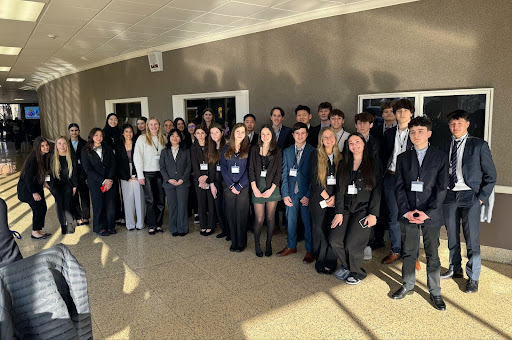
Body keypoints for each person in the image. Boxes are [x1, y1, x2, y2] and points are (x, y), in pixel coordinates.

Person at [391, 116, 448, 311]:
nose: (416, 135)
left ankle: (435, 291)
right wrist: (406, 211)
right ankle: (407, 285)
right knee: (409, 251)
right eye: (413, 132)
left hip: (430, 215)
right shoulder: (403, 158)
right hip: (408, 213)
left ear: (429, 133)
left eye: (420, 131)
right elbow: (398, 187)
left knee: (432, 254)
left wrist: (427, 212)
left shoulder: (440, 157)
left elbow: (441, 188)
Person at [440, 110, 496, 293]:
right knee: (452, 235)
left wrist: (480, 198)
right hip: (449, 195)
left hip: (470, 196)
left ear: (467, 124)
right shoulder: (444, 144)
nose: (455, 127)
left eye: (459, 124)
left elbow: (491, 175)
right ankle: (455, 268)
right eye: (452, 124)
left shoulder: (479, 145)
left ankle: (473, 277)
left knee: (472, 238)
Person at [330, 133, 382, 284]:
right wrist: (338, 212)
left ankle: (358, 272)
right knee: (334, 240)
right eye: (351, 143)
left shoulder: (373, 162)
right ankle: (347, 265)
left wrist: (373, 214)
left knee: (352, 244)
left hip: (364, 209)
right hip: (346, 208)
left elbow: (377, 189)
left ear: (364, 143)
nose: (354, 145)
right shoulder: (343, 163)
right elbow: (339, 190)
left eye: (357, 142)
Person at [381, 99, 414, 265]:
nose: (401, 114)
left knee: (410, 216)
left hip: (410, 180)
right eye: (398, 111)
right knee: (393, 216)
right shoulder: (388, 134)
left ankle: (411, 254)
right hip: (391, 177)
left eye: (405, 111)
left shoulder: (416, 133)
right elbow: (384, 157)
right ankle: (396, 250)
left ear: (411, 113)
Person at [278, 122, 315, 263]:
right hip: (291, 193)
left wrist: (308, 195)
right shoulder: (286, 151)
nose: (300, 136)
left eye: (303, 133)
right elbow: (284, 175)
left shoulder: (313, 151)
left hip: (305, 194)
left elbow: (315, 176)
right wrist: (285, 194)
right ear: (293, 135)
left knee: (307, 223)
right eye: (297, 133)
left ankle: (310, 250)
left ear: (307, 134)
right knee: (291, 221)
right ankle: (291, 246)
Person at [308, 127, 341, 274]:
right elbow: (315, 181)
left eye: (331, 136)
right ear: (321, 140)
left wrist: (335, 198)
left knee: (332, 231)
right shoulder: (315, 155)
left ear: (335, 138)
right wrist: (327, 198)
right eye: (325, 137)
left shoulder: (341, 156)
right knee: (320, 230)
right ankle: (321, 259)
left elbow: (344, 181)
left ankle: (331, 260)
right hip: (319, 199)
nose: (328, 139)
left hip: (336, 200)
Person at [249, 124, 282, 257]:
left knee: (270, 217)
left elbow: (279, 172)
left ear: (272, 135)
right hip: (257, 186)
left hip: (272, 188)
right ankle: (257, 244)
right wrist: (254, 188)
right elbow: (250, 169)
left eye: (268, 134)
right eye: (262, 134)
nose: (265, 136)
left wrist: (272, 189)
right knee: (259, 218)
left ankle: (269, 243)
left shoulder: (278, 150)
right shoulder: (254, 149)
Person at [220, 123, 250, 252]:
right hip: (228, 187)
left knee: (242, 215)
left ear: (245, 134)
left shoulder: (249, 149)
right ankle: (234, 241)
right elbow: (223, 168)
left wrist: (239, 185)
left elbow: (250, 170)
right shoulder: (226, 148)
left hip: (243, 187)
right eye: (237, 131)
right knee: (231, 214)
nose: (240, 134)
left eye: (242, 132)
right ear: (233, 133)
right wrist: (232, 185)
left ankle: (242, 242)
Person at [81, 128, 116, 236]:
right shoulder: (85, 151)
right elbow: (88, 170)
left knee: (110, 204)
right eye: (96, 135)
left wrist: (109, 180)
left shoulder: (107, 148)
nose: (99, 138)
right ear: (91, 136)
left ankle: (110, 226)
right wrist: (103, 180)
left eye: (101, 135)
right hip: (96, 183)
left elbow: (113, 164)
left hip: (109, 182)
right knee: (98, 205)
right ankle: (99, 227)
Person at [134, 117, 166, 235]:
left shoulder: (164, 138)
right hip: (147, 173)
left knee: (161, 200)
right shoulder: (142, 139)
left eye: (156, 124)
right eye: (151, 124)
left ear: (159, 125)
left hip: (161, 174)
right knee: (150, 200)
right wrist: (140, 175)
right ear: (147, 126)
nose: (153, 127)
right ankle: (152, 225)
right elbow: (137, 158)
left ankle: (158, 224)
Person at [17, 137, 52, 239]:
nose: (46, 147)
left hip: (36, 186)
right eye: (42, 146)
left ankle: (38, 230)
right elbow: (28, 178)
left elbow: (43, 172)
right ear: (37, 147)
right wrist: (34, 193)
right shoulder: (33, 159)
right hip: (28, 189)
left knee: (42, 207)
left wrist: (45, 182)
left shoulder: (43, 156)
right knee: (38, 209)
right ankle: (34, 232)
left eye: (46, 145)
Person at [160, 129, 191, 236]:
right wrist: (168, 179)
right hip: (169, 184)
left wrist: (182, 179)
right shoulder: (164, 151)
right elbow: (162, 167)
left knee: (182, 206)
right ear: (169, 138)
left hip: (183, 183)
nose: (175, 138)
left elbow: (189, 166)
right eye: (172, 135)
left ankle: (182, 228)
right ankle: (173, 228)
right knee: (172, 206)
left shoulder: (186, 151)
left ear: (180, 138)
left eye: (177, 136)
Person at [116, 124, 145, 231]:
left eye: (131, 131)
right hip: (125, 175)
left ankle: (140, 223)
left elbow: (142, 159)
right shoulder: (118, 146)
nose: (129, 134)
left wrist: (138, 175)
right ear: (123, 133)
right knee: (128, 200)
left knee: (139, 199)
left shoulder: (138, 143)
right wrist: (125, 176)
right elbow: (118, 163)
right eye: (126, 131)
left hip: (138, 173)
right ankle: (130, 224)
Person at [49, 137, 78, 235]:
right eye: (59, 143)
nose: (62, 146)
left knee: (67, 202)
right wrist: (47, 184)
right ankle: (63, 225)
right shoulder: (52, 157)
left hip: (68, 184)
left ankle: (69, 223)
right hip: (56, 185)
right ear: (56, 145)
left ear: (67, 145)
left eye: (64, 143)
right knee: (59, 203)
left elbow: (74, 172)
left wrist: (74, 186)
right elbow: (47, 172)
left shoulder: (71, 156)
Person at [191, 126, 215, 236]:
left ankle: (210, 225)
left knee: (210, 202)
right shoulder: (193, 148)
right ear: (195, 135)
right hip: (199, 179)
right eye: (198, 133)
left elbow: (212, 163)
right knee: (201, 203)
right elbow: (194, 164)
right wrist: (200, 177)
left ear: (206, 134)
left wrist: (207, 177)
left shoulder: (211, 146)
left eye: (202, 133)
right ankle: (203, 225)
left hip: (209, 178)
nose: (200, 135)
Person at [207, 123, 229, 239]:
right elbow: (210, 167)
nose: (214, 135)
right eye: (212, 133)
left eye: (216, 132)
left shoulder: (228, 146)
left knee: (227, 207)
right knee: (218, 206)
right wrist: (211, 184)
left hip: (226, 182)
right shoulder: (210, 147)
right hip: (215, 182)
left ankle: (230, 230)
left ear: (222, 132)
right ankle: (224, 229)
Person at [103, 113, 124, 226]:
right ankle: (115, 216)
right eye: (111, 119)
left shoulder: (121, 133)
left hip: (122, 165)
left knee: (124, 192)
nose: (113, 121)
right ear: (107, 120)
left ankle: (123, 216)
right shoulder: (103, 133)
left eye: (115, 119)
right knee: (114, 192)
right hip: (110, 167)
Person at [68, 123, 90, 226]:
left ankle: (85, 216)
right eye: (72, 130)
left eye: (76, 130)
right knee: (74, 197)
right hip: (71, 174)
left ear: (79, 131)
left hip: (83, 174)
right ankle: (78, 217)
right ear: (69, 132)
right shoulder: (66, 144)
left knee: (85, 196)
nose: (74, 132)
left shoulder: (85, 143)